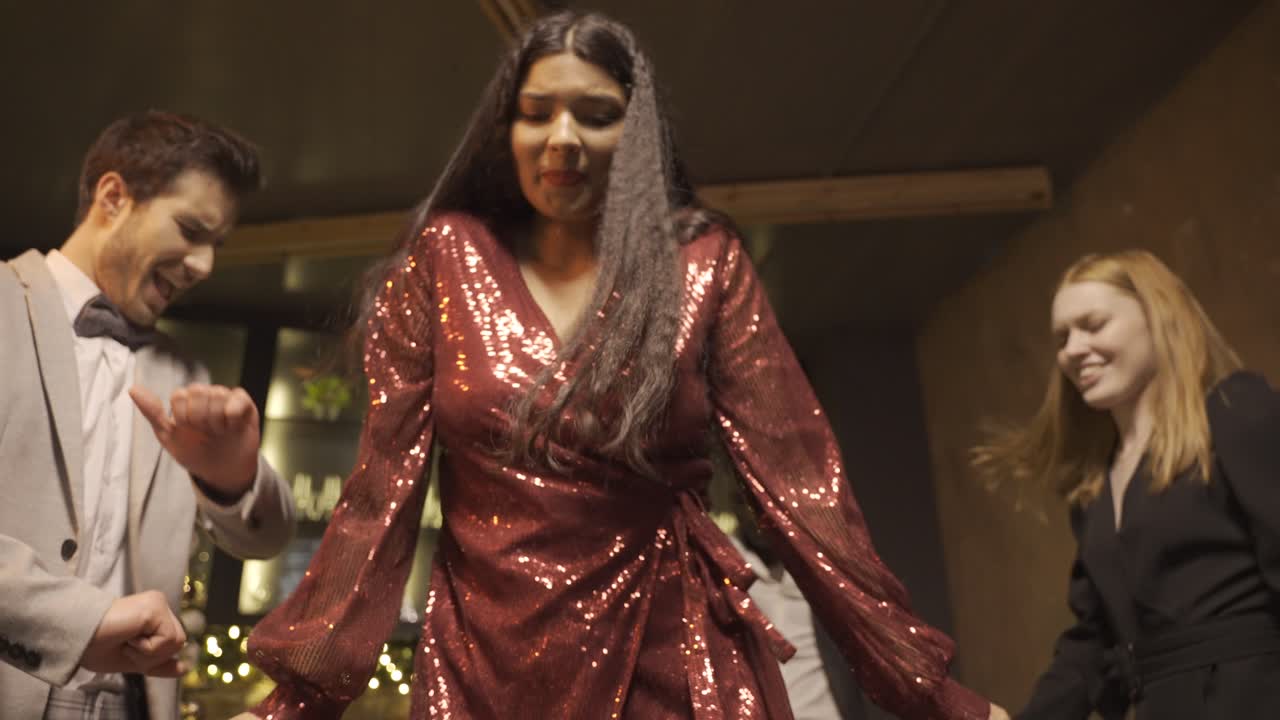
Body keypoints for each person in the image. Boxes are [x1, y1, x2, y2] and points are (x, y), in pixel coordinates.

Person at [243, 11, 1003, 720]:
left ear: (636, 132)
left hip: (670, 650)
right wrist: (297, 700)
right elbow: (382, 495)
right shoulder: (444, 257)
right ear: (503, 127)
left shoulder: (702, 263)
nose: (562, 138)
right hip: (480, 663)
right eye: (536, 112)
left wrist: (931, 696)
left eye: (596, 114)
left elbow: (802, 493)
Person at [0, 111, 297, 719]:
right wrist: (83, 620)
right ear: (113, 197)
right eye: (191, 230)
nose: (204, 265)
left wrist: (233, 479)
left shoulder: (185, 378)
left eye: (217, 244)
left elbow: (267, 538)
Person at [972, 250, 1280, 719]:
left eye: (1093, 325)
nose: (1072, 349)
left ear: (1159, 320)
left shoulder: (1237, 411)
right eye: (1062, 337)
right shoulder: (1096, 486)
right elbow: (1095, 641)